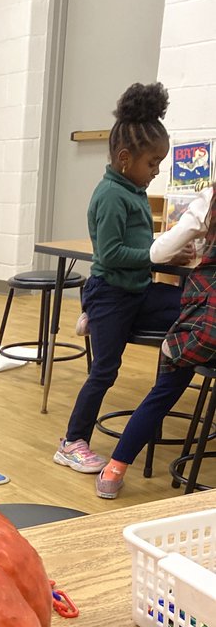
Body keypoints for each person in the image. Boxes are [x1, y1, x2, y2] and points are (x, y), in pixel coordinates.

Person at [54, 83, 183, 475]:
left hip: (136, 291)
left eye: (159, 162)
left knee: (188, 308)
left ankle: (95, 316)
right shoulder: (111, 195)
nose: (156, 170)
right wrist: (151, 253)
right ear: (125, 158)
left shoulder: (133, 187)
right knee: (105, 370)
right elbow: (108, 255)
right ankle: (72, 441)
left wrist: (164, 247)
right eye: (152, 163)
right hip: (111, 293)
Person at [96, 182, 216, 498]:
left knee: (165, 389)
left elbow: (158, 252)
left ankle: (114, 469)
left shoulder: (210, 200)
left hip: (205, 331)